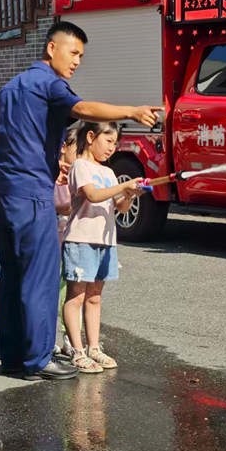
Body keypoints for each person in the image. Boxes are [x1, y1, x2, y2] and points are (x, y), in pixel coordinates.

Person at [0, 21, 162, 380]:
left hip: (5, 190)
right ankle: (38, 359)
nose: (77, 61)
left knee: (11, 276)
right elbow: (83, 109)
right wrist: (130, 111)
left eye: (82, 56)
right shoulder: (51, 83)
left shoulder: (9, 88)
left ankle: (12, 358)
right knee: (40, 278)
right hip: (31, 191)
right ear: (51, 48)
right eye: (74, 52)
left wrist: (47, 159)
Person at [62, 121, 143, 373]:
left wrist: (130, 195)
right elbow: (93, 195)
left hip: (105, 241)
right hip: (81, 238)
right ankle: (76, 350)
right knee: (76, 296)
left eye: (115, 144)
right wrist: (124, 186)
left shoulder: (108, 172)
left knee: (95, 296)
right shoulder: (80, 166)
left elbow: (120, 207)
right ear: (90, 136)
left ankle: (93, 347)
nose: (112, 148)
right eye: (108, 141)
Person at [54, 125, 79, 357]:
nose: (80, 156)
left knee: (72, 291)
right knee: (55, 290)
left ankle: (70, 336)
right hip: (54, 242)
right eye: (77, 149)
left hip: (74, 243)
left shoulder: (78, 175)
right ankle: (52, 336)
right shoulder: (52, 173)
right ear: (63, 148)